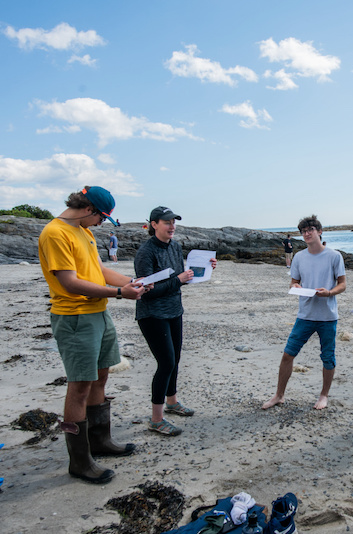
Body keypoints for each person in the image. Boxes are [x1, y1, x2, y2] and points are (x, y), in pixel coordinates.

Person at [38, 186, 148, 484]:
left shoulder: (82, 231)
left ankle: (100, 441)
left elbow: (97, 270)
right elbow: (70, 283)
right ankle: (80, 461)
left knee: (100, 377)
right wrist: (119, 293)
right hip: (74, 318)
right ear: (89, 210)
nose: (101, 225)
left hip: (98, 313)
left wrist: (134, 282)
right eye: (102, 219)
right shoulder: (56, 233)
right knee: (80, 387)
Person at [135, 206, 217, 436]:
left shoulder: (176, 246)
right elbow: (146, 291)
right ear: (154, 224)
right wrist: (179, 280)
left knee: (176, 359)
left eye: (174, 222)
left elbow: (184, 277)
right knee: (166, 363)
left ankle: (172, 402)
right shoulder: (146, 252)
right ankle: (156, 419)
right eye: (167, 222)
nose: (172, 226)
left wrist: (204, 270)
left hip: (174, 310)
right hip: (152, 314)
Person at [263, 215, 346, 410]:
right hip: (305, 315)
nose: (307, 234)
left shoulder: (334, 256)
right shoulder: (299, 257)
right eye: (303, 231)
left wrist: (329, 293)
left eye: (310, 230)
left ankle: (324, 395)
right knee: (287, 355)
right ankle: (279, 395)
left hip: (327, 317)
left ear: (319, 231)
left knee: (328, 357)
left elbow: (342, 284)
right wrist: (297, 286)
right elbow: (293, 282)